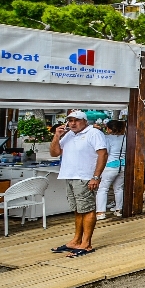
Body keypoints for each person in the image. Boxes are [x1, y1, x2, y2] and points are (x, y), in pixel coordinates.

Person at [49, 110, 108, 258]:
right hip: (70, 176)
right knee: (78, 210)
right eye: (70, 120)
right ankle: (76, 240)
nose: (73, 123)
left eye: (77, 120)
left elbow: (103, 154)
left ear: (85, 121)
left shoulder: (94, 133)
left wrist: (96, 176)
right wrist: (56, 136)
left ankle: (86, 243)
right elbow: (54, 153)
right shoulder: (68, 135)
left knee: (87, 209)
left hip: (85, 176)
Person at [96, 120, 126, 220]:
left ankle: (101, 212)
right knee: (119, 189)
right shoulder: (126, 138)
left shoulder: (107, 138)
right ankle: (118, 210)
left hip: (110, 166)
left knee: (103, 189)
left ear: (109, 129)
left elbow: (105, 152)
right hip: (123, 165)